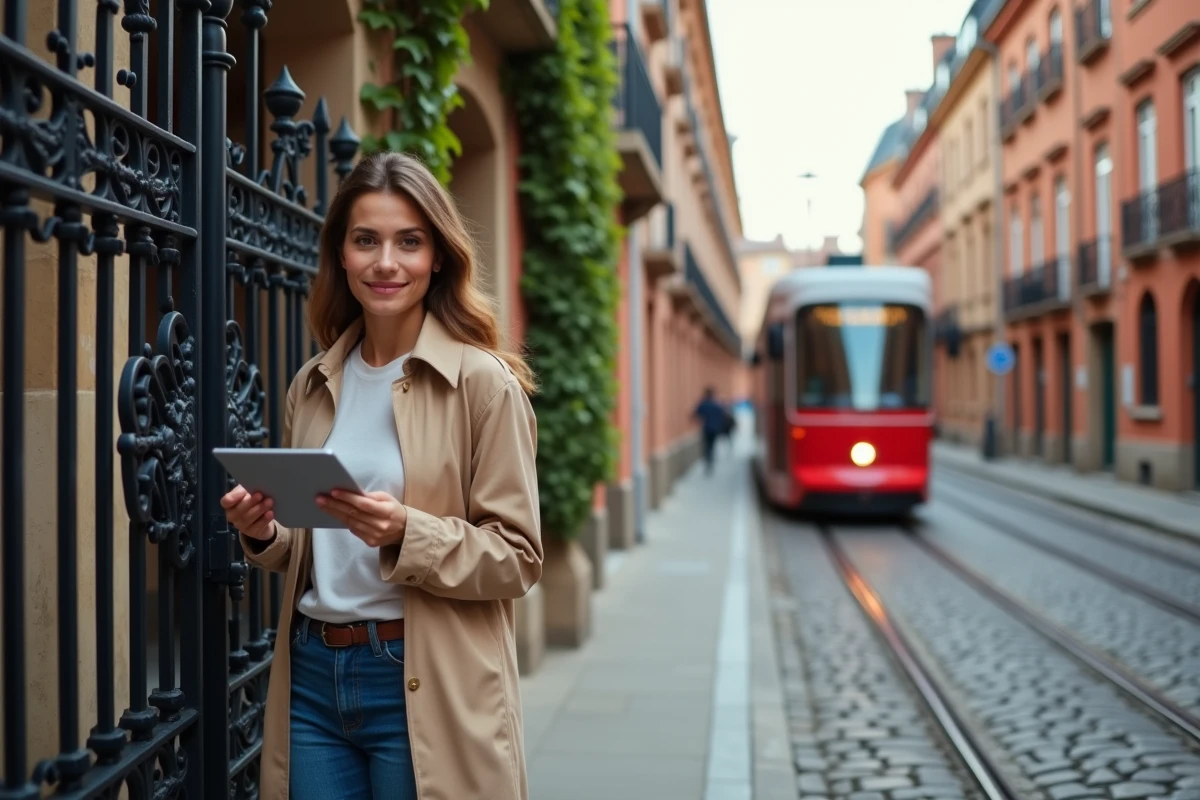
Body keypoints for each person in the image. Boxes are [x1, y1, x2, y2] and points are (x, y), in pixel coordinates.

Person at [219, 151, 542, 800]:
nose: (386, 262)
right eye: (366, 240)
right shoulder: (313, 383)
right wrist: (263, 532)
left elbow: (518, 559)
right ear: (342, 254)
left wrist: (405, 532)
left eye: (409, 242)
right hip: (311, 673)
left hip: (420, 676)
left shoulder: (482, 384)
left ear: (439, 257)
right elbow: (313, 547)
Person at [693, 387, 731, 475]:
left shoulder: (703, 404)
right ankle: (710, 461)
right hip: (715, 429)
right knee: (712, 445)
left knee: (707, 446)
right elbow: (723, 415)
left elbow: (696, 414)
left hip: (706, 428)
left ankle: (708, 461)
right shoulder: (716, 404)